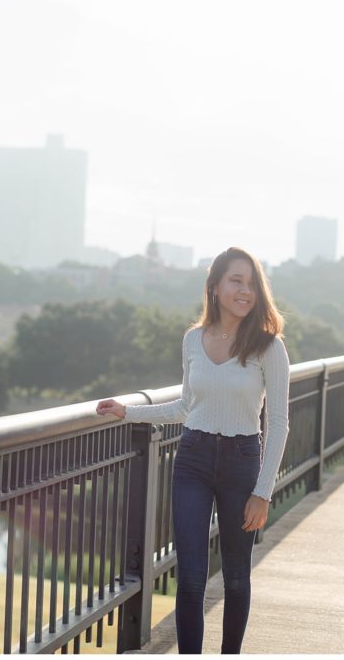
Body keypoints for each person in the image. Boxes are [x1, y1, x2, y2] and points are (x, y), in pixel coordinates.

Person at [96, 246, 290, 654]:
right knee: (190, 577)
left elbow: (277, 424)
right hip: (193, 460)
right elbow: (186, 407)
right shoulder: (192, 340)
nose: (245, 290)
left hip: (242, 464)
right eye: (236, 281)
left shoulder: (269, 347)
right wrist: (128, 412)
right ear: (215, 286)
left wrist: (262, 491)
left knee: (236, 576)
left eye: (252, 283)